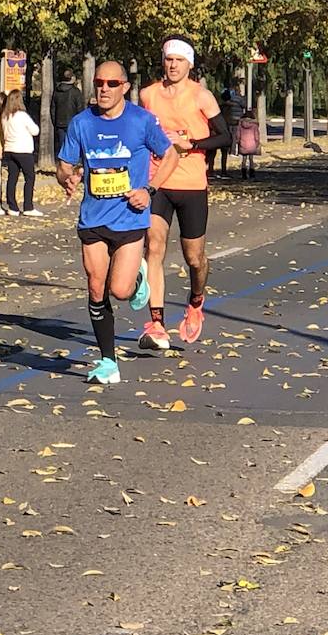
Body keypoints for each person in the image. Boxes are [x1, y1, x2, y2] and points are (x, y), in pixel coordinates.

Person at [58, 61, 180, 384]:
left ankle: (138, 280)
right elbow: (64, 164)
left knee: (120, 290)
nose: (104, 89)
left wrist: (149, 191)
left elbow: (170, 156)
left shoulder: (141, 121)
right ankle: (107, 362)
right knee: (96, 287)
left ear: (125, 87)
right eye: (99, 82)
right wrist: (67, 178)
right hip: (93, 218)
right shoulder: (81, 123)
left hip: (130, 219)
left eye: (112, 83)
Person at [137, 36, 230, 350]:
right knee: (154, 245)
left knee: (194, 257)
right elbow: (138, 132)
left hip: (191, 184)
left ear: (189, 64)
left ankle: (196, 302)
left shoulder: (202, 97)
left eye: (179, 60)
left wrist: (193, 144)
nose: (173, 65)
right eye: (169, 59)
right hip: (158, 181)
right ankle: (157, 324)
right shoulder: (148, 95)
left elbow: (225, 137)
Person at [1, 89, 42, 217]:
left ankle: (12, 206)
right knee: (29, 178)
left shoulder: (5, 116)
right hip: (23, 150)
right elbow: (35, 130)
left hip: (10, 149)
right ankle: (28, 206)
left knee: (12, 178)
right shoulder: (22, 115)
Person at [51, 68, 84, 159]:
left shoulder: (56, 91)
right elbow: (80, 109)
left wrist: (56, 122)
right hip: (73, 123)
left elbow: (53, 109)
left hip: (60, 123)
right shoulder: (76, 92)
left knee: (62, 148)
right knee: (74, 146)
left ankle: (63, 167)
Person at [218, 80, 247, 175]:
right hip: (236, 120)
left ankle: (213, 169)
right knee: (235, 136)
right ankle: (234, 150)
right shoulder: (239, 100)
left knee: (220, 150)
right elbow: (244, 105)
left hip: (224, 125)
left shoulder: (221, 106)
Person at [237, 109, 260, 176]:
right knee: (251, 158)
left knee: (244, 159)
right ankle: (252, 172)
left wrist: (238, 141)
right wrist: (257, 143)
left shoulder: (240, 125)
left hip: (243, 143)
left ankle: (243, 172)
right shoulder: (254, 125)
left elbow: (238, 134)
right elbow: (256, 136)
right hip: (252, 144)